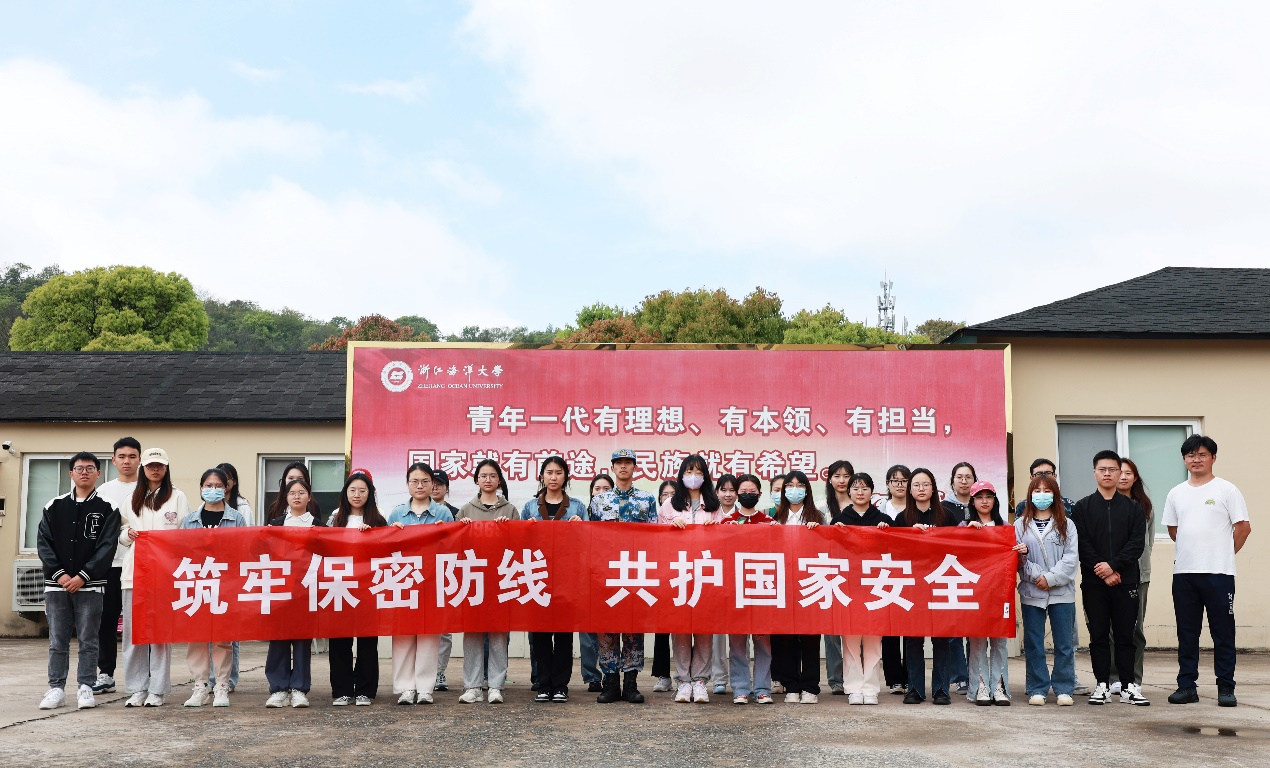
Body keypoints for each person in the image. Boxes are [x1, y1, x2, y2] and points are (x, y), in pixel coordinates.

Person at [1163, 435, 1251, 708]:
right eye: (1191, 455)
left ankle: (1226, 686)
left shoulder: (1227, 490)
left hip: (1219, 574)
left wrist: (1224, 554)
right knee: (1187, 633)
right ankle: (1186, 686)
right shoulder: (1176, 493)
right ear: (1184, 459)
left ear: (1213, 458)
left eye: (1202, 454)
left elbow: (1243, 527)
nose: (1196, 459)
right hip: (1185, 573)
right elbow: (1174, 530)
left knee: (1223, 633)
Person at [36, 452, 121, 710]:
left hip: (91, 586)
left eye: (90, 468)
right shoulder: (54, 505)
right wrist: (60, 574)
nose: (85, 472)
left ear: (98, 473)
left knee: (89, 639)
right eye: (79, 468)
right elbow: (44, 543)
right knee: (57, 640)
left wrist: (84, 576)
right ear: (71, 473)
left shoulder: (108, 507)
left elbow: (107, 546)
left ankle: (86, 686)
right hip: (57, 585)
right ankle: (56, 688)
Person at [1072, 450, 1148, 706]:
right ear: (1095, 473)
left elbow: (1136, 544)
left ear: (1119, 473)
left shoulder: (1133, 508)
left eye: (1112, 469)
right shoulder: (1082, 508)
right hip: (1094, 583)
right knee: (1099, 635)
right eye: (1102, 469)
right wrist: (1103, 571)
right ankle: (1102, 684)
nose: (1107, 474)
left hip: (1125, 581)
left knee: (1126, 635)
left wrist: (1114, 567)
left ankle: (1128, 686)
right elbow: (1082, 544)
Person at [119, 447, 189, 708]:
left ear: (166, 468)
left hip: (164, 574)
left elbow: (185, 533)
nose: (155, 469)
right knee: (133, 633)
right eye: (150, 465)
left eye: (159, 465)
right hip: (134, 573)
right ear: (143, 469)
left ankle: (157, 689)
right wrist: (127, 536)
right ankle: (137, 688)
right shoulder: (131, 498)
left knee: (160, 634)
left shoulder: (177, 497)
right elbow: (121, 531)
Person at [588, 449, 659, 704]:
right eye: (619, 463)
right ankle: (610, 683)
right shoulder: (599, 501)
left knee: (633, 627)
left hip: (636, 571)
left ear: (635, 467)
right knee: (606, 627)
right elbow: (591, 537)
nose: (623, 467)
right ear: (613, 467)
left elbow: (654, 537)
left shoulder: (646, 499)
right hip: (607, 572)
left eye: (628, 463)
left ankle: (630, 683)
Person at [1014, 457, 1087, 697]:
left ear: (1055, 495)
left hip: (1061, 592)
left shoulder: (1067, 524)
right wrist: (1038, 577)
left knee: (1064, 644)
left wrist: (1051, 579)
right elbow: (1018, 559)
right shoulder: (1020, 525)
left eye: (1047, 491)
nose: (1042, 495)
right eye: (1037, 491)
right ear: (1030, 494)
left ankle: (1064, 687)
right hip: (1032, 591)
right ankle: (1038, 688)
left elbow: (1071, 559)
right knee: (1034, 643)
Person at [179, 468, 250, 708]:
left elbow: (243, 552)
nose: (213, 490)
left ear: (226, 488)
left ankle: (221, 686)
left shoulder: (236, 518)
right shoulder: (190, 520)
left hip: (225, 585)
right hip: (197, 585)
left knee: (223, 639)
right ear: (201, 488)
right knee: (197, 638)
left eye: (218, 485)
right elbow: (181, 553)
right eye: (208, 485)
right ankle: (200, 686)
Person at [658, 455, 726, 704]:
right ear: (681, 475)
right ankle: (683, 681)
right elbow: (657, 540)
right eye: (689, 471)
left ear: (705, 476)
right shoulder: (670, 505)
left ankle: (700, 681)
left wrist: (714, 528)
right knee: (680, 628)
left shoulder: (714, 505)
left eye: (698, 472)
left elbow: (726, 541)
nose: (693, 476)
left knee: (704, 629)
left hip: (706, 574)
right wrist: (670, 527)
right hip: (679, 574)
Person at [520, 456, 588, 702]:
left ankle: (560, 685)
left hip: (566, 578)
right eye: (549, 472)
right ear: (542, 476)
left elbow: (588, 543)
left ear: (565, 477)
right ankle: (543, 683)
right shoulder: (530, 508)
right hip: (537, 576)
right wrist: (526, 529)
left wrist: (581, 527)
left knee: (563, 634)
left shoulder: (577, 507)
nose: (553, 477)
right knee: (540, 634)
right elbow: (520, 543)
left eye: (559, 472)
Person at [387, 462, 453, 705]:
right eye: (414, 481)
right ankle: (406, 688)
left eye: (425, 481)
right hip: (403, 581)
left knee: (429, 635)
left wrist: (444, 534)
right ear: (407, 484)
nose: (420, 485)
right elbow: (385, 549)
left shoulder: (443, 514)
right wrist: (392, 533)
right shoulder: (396, 514)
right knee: (403, 635)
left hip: (431, 581)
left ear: (432, 484)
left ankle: (425, 687)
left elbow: (452, 548)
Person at [894, 467, 959, 705]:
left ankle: (941, 689)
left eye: (925, 484)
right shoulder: (902, 519)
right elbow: (894, 552)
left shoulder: (947, 516)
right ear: (910, 490)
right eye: (916, 485)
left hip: (940, 583)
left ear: (933, 488)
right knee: (912, 639)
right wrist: (909, 535)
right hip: (912, 586)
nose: (921, 489)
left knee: (941, 639)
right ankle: (915, 689)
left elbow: (959, 547)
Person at [456, 459, 516, 704]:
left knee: (499, 634)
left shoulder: (510, 510)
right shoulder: (465, 510)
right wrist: (461, 528)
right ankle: (472, 686)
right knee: (472, 634)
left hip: (501, 579)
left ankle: (495, 686)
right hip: (472, 579)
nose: (488, 480)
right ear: (476, 480)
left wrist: (508, 529)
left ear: (499, 480)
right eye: (483, 476)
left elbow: (519, 545)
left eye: (492, 476)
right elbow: (452, 546)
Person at [328, 469, 388, 706]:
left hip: (368, 587)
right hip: (340, 585)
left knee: (367, 641)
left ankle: (365, 690)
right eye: (352, 490)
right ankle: (342, 690)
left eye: (362, 490)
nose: (357, 494)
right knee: (339, 640)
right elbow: (325, 547)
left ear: (369, 493)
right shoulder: (335, 518)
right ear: (345, 493)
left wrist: (373, 535)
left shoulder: (378, 519)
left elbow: (386, 549)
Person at [829, 472, 889, 705]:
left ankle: (871, 688)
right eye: (855, 488)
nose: (860, 492)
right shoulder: (839, 520)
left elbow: (895, 550)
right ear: (849, 492)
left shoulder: (883, 519)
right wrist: (836, 533)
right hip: (849, 587)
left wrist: (887, 531)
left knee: (873, 640)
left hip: (875, 587)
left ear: (872, 492)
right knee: (851, 640)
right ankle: (853, 687)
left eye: (865, 488)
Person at [264, 477, 324, 707]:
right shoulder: (275, 525)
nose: (297, 496)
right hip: (280, 589)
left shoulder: (319, 526)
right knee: (278, 639)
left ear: (309, 497)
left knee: (301, 641)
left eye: (301, 492)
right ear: (286, 497)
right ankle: (278, 689)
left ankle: (299, 689)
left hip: (306, 591)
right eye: (292, 493)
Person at [91, 437, 141, 696]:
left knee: (140, 623)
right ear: (113, 460)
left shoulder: (149, 488)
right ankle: (106, 674)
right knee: (106, 620)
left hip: (141, 565)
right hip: (110, 565)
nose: (127, 461)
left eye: (132, 456)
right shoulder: (103, 491)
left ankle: (143, 675)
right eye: (122, 456)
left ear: (139, 459)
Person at [769, 470, 824, 704]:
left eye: (799, 485)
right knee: (786, 637)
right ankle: (791, 685)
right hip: (784, 583)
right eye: (789, 485)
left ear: (807, 490)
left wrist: (818, 532)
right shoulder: (775, 517)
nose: (794, 490)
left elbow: (828, 548)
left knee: (810, 635)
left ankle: (810, 686)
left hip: (810, 582)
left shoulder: (817, 517)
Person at [724, 474, 776, 704]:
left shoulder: (769, 522)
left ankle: (763, 688)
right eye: (743, 491)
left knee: (763, 643)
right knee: (737, 643)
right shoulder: (727, 522)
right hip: (735, 590)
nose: (748, 495)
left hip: (762, 589)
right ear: (737, 494)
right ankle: (740, 688)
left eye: (752, 491)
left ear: (759, 494)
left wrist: (777, 532)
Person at [960, 480, 1012, 706]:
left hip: (1000, 591)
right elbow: (954, 553)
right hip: (975, 591)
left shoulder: (1005, 526)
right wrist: (966, 535)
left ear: (994, 500)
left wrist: (1022, 551)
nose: (984, 501)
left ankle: (999, 686)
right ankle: (980, 686)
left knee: (999, 641)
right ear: (972, 501)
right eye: (979, 497)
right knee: (977, 641)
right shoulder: (964, 525)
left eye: (988, 497)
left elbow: (1015, 560)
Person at [1112, 457, 1153, 694]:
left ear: (1135, 477)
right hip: (1109, 573)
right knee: (1110, 628)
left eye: (1129, 473)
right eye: (1120, 472)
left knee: (1135, 628)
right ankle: (1113, 678)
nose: (1124, 477)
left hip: (1138, 576)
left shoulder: (1145, 507)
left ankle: (1134, 677)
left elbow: (1147, 543)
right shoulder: (1105, 505)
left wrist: (1140, 567)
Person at [212, 461, 250, 692]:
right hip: (209, 575)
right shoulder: (199, 513)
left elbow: (247, 540)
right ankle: (211, 677)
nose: (217, 487)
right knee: (210, 631)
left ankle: (229, 679)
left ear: (232, 483)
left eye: (223, 481)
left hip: (232, 575)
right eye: (211, 484)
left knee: (230, 633)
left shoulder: (241, 509)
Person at [820, 459, 854, 696]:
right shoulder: (821, 508)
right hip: (829, 571)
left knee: (854, 630)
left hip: (856, 573)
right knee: (831, 633)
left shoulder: (861, 504)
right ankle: (836, 680)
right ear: (829, 479)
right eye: (837, 476)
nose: (842, 481)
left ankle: (854, 677)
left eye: (846, 476)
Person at [578, 473, 614, 693]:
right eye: (597, 489)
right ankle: (592, 676)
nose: (601, 493)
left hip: (612, 577)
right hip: (587, 578)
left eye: (606, 489)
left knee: (607, 630)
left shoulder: (616, 517)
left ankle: (610, 674)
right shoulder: (582, 515)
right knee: (587, 633)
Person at [943, 462, 976, 694]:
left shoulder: (982, 504)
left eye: (968, 477)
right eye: (959, 477)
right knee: (954, 631)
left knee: (975, 629)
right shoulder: (943, 508)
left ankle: (975, 674)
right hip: (951, 573)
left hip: (976, 574)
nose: (964, 481)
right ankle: (959, 676)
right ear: (952, 481)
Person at [879, 464, 911, 694]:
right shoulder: (879, 510)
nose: (899, 485)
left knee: (910, 628)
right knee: (888, 629)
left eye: (904, 480)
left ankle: (910, 676)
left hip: (911, 572)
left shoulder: (917, 509)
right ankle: (894, 679)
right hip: (884, 571)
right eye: (895, 480)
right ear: (887, 485)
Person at [709, 473, 740, 695]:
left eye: (732, 490)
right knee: (717, 634)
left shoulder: (745, 514)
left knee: (740, 633)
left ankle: (740, 679)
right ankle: (719, 678)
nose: (728, 494)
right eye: (724, 490)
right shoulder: (710, 514)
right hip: (716, 578)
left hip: (740, 577)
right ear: (717, 492)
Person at [430, 469, 459, 693]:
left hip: (445, 575)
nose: (435, 487)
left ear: (446, 488)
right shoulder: (412, 511)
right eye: (432, 483)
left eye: (440, 484)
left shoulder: (455, 514)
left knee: (443, 630)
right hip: (419, 575)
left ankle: (439, 672)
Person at [650, 478, 677, 693]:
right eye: (664, 495)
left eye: (673, 495)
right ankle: (663, 675)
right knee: (662, 630)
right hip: (662, 577)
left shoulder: (686, 516)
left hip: (684, 575)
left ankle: (687, 676)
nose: (668, 498)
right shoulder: (656, 519)